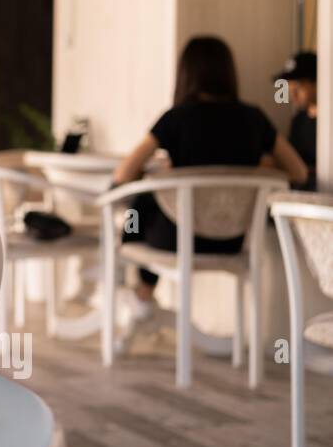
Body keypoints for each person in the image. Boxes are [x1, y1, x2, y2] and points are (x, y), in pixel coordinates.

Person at [110, 36, 308, 348]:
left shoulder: (176, 117)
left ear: (186, 73)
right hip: (233, 239)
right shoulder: (254, 117)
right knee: (149, 201)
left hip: (177, 237)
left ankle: (141, 294)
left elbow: (123, 174)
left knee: (141, 202)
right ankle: (143, 298)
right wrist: (256, 171)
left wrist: (167, 175)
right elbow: (299, 172)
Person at [275, 51, 318, 191]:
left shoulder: (327, 124)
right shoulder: (298, 121)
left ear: (316, 83)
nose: (292, 94)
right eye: (289, 88)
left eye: (298, 87)